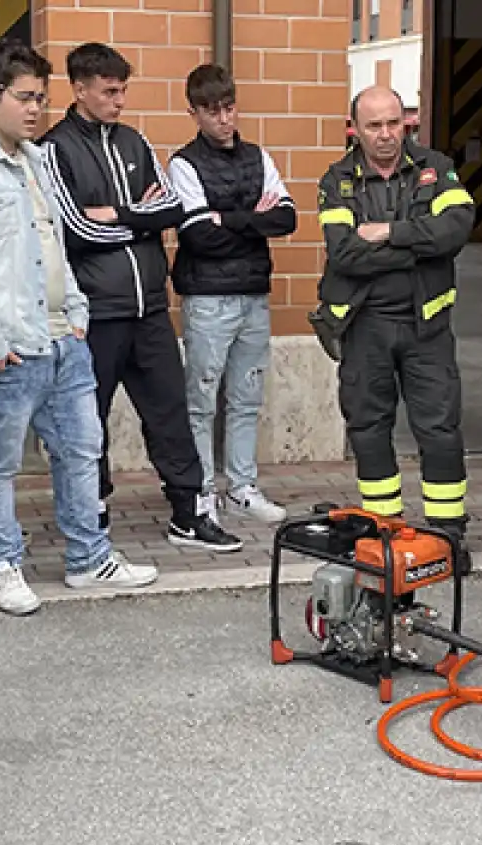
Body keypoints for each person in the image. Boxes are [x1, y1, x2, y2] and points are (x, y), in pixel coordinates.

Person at [0, 40, 159, 616]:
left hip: (61, 337)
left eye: (41, 99)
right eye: (25, 98)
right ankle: (0, 564)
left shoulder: (36, 161)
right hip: (5, 346)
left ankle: (88, 558)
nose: (36, 110)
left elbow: (53, 244)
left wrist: (76, 312)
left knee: (82, 449)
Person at [40, 42, 241, 554]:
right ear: (79, 89)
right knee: (90, 420)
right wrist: (138, 219)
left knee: (170, 413)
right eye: (109, 91)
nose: (119, 100)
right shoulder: (54, 148)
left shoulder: (136, 142)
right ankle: (94, 512)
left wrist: (122, 214)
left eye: (123, 89)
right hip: (97, 313)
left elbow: (170, 208)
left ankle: (188, 513)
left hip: (149, 307)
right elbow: (76, 230)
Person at [315, 87, 474, 538]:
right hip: (365, 326)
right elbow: (344, 254)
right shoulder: (337, 180)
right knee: (368, 428)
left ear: (406, 122)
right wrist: (420, 246)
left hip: (427, 326)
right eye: (374, 126)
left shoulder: (435, 168)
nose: (386, 135)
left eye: (393, 123)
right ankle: (384, 530)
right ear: (355, 130)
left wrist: (389, 232)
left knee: (440, 429)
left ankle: (448, 533)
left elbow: (457, 230)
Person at [167, 64, 298, 526]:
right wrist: (249, 219)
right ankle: (202, 490)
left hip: (252, 293)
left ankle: (241, 486)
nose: (224, 119)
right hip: (207, 297)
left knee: (246, 396)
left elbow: (287, 218)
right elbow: (198, 235)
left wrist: (229, 218)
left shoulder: (258, 157)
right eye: (212, 111)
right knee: (201, 399)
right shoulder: (183, 164)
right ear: (194, 113)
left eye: (229, 107)